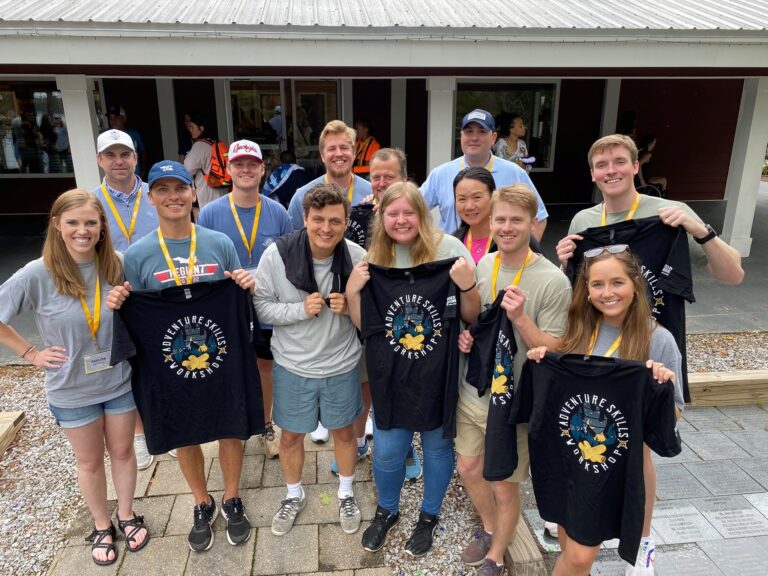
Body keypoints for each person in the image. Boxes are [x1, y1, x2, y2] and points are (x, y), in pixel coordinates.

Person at [105, 160, 256, 552]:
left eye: (180, 189)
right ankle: (201, 502)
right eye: (163, 190)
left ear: (193, 193)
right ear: (150, 197)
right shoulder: (136, 257)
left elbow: (239, 290)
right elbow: (137, 316)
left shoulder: (218, 243)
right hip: (172, 365)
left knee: (230, 426)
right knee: (183, 431)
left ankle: (232, 498)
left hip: (219, 357)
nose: (173, 197)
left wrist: (244, 282)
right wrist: (120, 301)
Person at [0, 189, 149, 566]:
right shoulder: (37, 273)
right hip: (70, 388)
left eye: (90, 223)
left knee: (122, 451)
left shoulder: (116, 263)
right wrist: (30, 353)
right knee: (89, 463)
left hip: (117, 380)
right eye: (73, 223)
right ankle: (102, 524)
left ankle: (127, 514)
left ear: (101, 228)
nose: (82, 231)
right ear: (56, 225)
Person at [527, 245, 682, 576]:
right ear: (586, 290)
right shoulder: (578, 332)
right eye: (597, 284)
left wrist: (659, 388)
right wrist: (544, 361)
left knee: (580, 557)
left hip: (615, 471)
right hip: (572, 464)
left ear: (635, 285)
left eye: (617, 282)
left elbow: (673, 420)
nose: (607, 293)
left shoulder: (660, 342)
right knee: (572, 552)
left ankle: (641, 545)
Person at [346, 182, 481, 557]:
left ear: (422, 215)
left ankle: (429, 516)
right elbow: (366, 328)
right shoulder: (375, 257)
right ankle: (387, 510)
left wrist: (467, 285)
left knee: (438, 447)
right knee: (388, 450)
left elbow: (471, 314)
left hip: (439, 371)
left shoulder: (449, 250)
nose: (402, 220)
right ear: (382, 218)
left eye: (409, 213)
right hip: (391, 374)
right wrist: (355, 291)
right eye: (393, 214)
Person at [455, 184, 571, 576]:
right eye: (500, 219)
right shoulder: (484, 266)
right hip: (475, 391)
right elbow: (478, 321)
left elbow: (556, 349)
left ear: (533, 225)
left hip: (516, 401)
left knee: (504, 484)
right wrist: (469, 335)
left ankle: (498, 553)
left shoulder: (553, 281)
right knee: (469, 466)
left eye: (516, 221)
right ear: (490, 222)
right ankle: (489, 527)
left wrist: (522, 318)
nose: (507, 228)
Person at [253, 184, 367, 537]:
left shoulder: (357, 257)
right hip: (292, 365)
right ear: (304, 218)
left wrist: (350, 305)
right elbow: (261, 307)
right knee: (290, 438)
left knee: (345, 434)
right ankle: (293, 494)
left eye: (335, 220)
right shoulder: (277, 256)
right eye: (318, 219)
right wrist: (299, 310)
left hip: (341, 363)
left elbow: (372, 312)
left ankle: (346, 492)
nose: (326, 228)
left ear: (346, 221)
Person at [198, 140, 291, 459]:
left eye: (253, 164)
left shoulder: (277, 211)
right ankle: (233, 426)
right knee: (230, 367)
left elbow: (289, 261)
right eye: (239, 164)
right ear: (228, 170)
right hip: (227, 309)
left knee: (266, 366)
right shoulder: (210, 213)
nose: (246, 170)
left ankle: (265, 424)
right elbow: (202, 263)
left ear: (263, 169)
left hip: (265, 307)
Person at [556, 134, 743, 286]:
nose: (611, 170)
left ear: (635, 166)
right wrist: (565, 266)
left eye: (620, 162)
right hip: (600, 328)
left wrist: (701, 231)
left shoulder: (670, 212)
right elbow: (574, 284)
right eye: (601, 165)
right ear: (592, 174)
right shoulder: (582, 220)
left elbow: (733, 276)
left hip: (655, 327)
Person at [342, 147, 423, 482]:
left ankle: (406, 448)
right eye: (375, 176)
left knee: (403, 384)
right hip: (367, 317)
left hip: (406, 320)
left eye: (388, 176)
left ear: (403, 179)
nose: (380, 182)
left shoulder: (414, 217)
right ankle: (359, 442)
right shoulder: (357, 215)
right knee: (364, 382)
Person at [92, 128, 160, 469]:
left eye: (125, 155)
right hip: (114, 297)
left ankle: (164, 423)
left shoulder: (157, 194)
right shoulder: (91, 202)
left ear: (135, 158)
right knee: (128, 363)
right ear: (100, 160)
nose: (119, 162)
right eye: (111, 155)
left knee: (163, 359)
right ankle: (138, 433)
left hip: (156, 292)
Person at [420, 108, 548, 240]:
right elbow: (412, 209)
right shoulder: (441, 174)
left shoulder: (514, 173)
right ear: (461, 136)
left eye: (482, 132)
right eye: (469, 132)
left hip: (499, 258)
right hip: (452, 257)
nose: (474, 138)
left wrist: (525, 256)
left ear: (493, 138)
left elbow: (540, 217)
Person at [288, 119, 372, 231]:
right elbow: (293, 245)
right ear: (322, 156)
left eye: (344, 147)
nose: (338, 154)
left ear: (354, 152)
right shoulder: (301, 197)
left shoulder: (372, 194)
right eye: (332, 149)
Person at [452, 167, 497, 264]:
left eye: (476, 197)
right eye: (462, 199)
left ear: (493, 197)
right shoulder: (451, 244)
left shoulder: (511, 237)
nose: (469, 206)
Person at [183, 112, 223, 209]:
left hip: (206, 193)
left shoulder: (200, 145)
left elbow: (187, 169)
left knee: (205, 222)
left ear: (201, 128)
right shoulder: (216, 142)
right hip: (220, 190)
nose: (190, 130)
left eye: (192, 127)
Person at [106, 105, 146, 178]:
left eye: (116, 117)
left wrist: (143, 169)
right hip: (117, 176)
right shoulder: (107, 137)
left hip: (135, 174)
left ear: (124, 118)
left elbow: (142, 152)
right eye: (111, 118)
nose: (113, 121)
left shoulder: (134, 134)